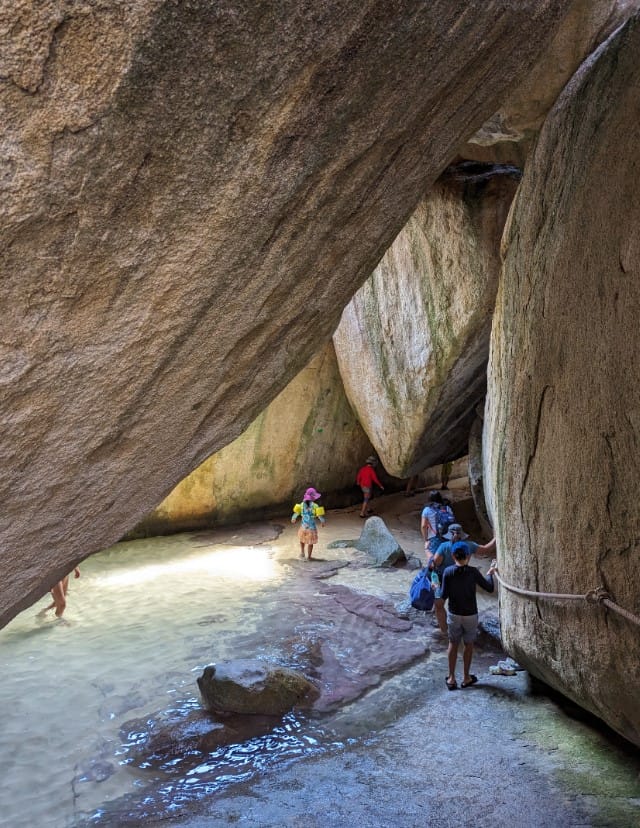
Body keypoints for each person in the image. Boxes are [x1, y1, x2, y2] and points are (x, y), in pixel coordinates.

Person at [441, 541, 497, 690]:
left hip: (454, 614)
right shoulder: (473, 572)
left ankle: (451, 678)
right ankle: (466, 677)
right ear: (468, 556)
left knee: (453, 644)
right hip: (470, 614)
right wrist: (490, 574)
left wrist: (435, 586)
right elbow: (490, 588)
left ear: (453, 556)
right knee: (469, 644)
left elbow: (443, 595)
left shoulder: (448, 572)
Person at [427, 523, 495, 634]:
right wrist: (496, 538)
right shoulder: (469, 545)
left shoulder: (444, 546)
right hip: (463, 578)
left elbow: (435, 563)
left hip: (446, 578)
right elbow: (486, 549)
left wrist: (427, 552)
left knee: (439, 605)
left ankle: (444, 631)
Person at [291, 487, 326, 560]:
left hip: (303, 528)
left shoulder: (301, 505)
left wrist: (293, 518)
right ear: (313, 497)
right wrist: (323, 522)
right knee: (310, 543)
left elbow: (296, 513)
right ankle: (309, 557)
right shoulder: (315, 506)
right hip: (311, 529)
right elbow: (320, 516)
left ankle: (302, 552)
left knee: (302, 540)